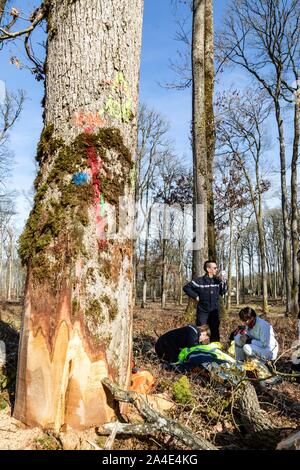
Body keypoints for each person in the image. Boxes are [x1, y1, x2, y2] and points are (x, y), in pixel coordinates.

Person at [183, 260, 227, 342]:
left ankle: (215, 350)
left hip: (214, 310)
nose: (216, 269)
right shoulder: (199, 281)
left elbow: (223, 292)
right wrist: (196, 296)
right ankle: (199, 349)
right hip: (203, 311)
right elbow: (186, 288)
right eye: (214, 268)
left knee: (215, 330)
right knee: (201, 331)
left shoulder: (218, 281)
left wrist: (224, 282)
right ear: (208, 269)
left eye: (216, 268)